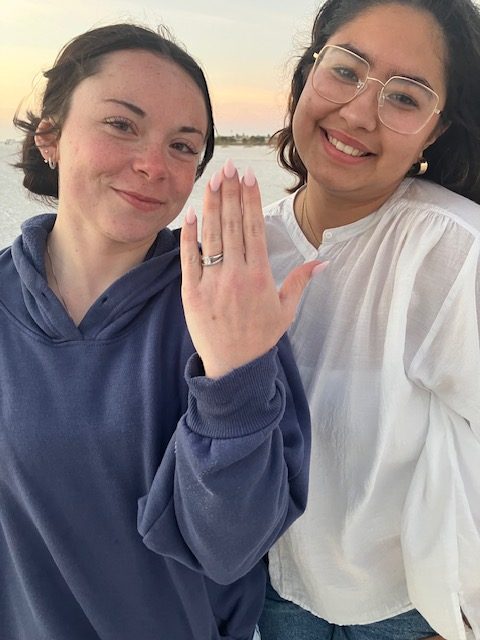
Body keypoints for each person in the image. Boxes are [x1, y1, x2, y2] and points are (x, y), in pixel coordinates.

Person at [0, 23, 322, 640]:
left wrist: (233, 380)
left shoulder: (228, 304)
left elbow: (230, 548)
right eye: (122, 125)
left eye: (182, 145)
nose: (153, 165)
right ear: (50, 136)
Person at [258, 1, 480, 639]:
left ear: (435, 131)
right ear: (308, 74)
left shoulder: (450, 250)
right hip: (270, 593)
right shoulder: (246, 244)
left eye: (405, 98)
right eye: (346, 70)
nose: (358, 113)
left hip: (409, 607)